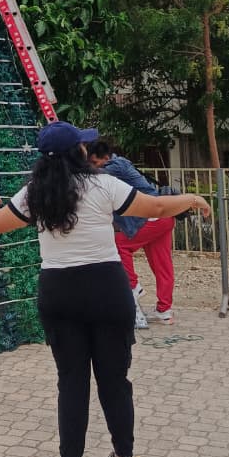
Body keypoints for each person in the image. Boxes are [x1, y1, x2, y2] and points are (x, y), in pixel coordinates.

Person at [0, 121, 210, 457]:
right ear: (79, 152)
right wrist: (192, 199)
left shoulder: (35, 192)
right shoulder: (104, 184)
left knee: (72, 381)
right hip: (108, 289)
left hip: (60, 292)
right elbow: (155, 205)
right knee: (115, 379)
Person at [87, 138, 176, 328]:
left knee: (120, 245)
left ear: (105, 158)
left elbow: (91, 177)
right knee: (162, 264)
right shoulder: (120, 163)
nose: (93, 166)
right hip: (162, 218)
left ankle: (134, 286)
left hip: (151, 217)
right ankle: (165, 310)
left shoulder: (115, 166)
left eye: (95, 162)